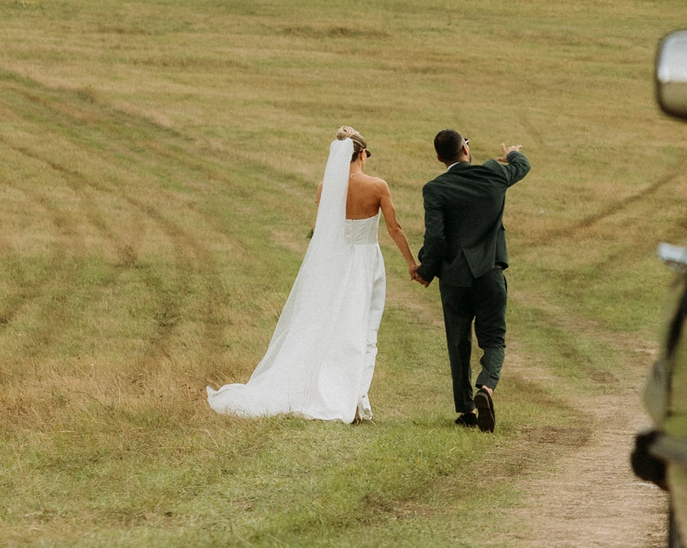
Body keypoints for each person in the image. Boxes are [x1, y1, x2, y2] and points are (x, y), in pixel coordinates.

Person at [207, 127, 414, 422]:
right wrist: (411, 264)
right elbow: (395, 228)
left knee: (332, 328)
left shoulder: (324, 187)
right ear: (362, 155)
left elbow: (318, 230)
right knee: (363, 329)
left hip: (334, 263)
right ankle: (353, 401)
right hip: (365, 263)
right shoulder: (377, 186)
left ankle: (340, 395)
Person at [412, 128, 529, 432]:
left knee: (458, 341)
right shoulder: (493, 174)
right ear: (465, 149)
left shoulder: (435, 189)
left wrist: (425, 271)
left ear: (439, 157)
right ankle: (486, 387)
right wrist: (511, 154)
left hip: (454, 278)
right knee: (494, 339)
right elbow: (522, 166)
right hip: (489, 272)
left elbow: (436, 238)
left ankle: (466, 410)